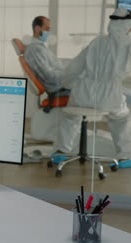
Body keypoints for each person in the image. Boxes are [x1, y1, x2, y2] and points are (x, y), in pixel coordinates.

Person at [54, 8, 131, 168]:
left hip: (83, 94)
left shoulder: (97, 41)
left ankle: (61, 152)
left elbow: (74, 67)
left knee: (71, 117)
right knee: (121, 119)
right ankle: (125, 156)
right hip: (111, 96)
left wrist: (67, 83)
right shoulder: (128, 43)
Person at [24, 16, 71, 99]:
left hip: (64, 83)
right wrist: (70, 74)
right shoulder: (35, 49)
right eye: (47, 29)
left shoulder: (40, 47)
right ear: (37, 29)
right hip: (60, 88)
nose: (49, 32)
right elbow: (49, 76)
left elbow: (54, 63)